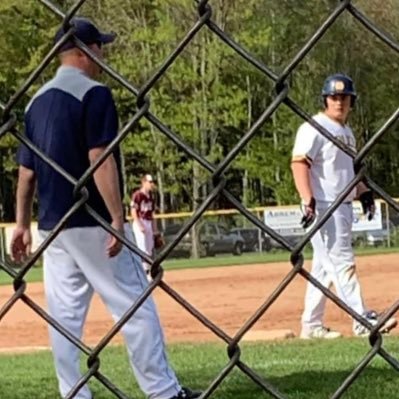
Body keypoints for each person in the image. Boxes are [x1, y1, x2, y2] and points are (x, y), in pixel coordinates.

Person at [10, 17, 201, 399]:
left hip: (52, 226)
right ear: (82, 51)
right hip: (94, 221)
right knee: (134, 306)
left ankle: (74, 394)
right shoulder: (93, 93)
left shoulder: (35, 101)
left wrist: (21, 224)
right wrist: (116, 216)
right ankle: (163, 392)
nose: (103, 56)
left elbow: (26, 173)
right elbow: (100, 158)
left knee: (64, 319)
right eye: (99, 47)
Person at [291, 73, 397, 339]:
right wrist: (307, 198)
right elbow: (299, 163)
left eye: (344, 97)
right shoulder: (314, 127)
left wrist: (363, 193)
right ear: (325, 99)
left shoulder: (346, 132)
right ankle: (362, 319)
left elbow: (346, 171)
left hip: (342, 205)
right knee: (342, 262)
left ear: (352, 101)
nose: (339, 102)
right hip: (324, 206)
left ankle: (311, 325)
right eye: (334, 97)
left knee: (324, 267)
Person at [130, 174, 159, 277]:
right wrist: (139, 225)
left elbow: (152, 214)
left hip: (148, 222)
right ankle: (145, 273)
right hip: (140, 221)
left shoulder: (151, 196)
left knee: (150, 247)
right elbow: (133, 211)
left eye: (152, 182)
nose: (151, 184)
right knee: (143, 248)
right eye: (149, 182)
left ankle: (147, 271)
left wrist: (155, 230)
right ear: (144, 182)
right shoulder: (137, 195)